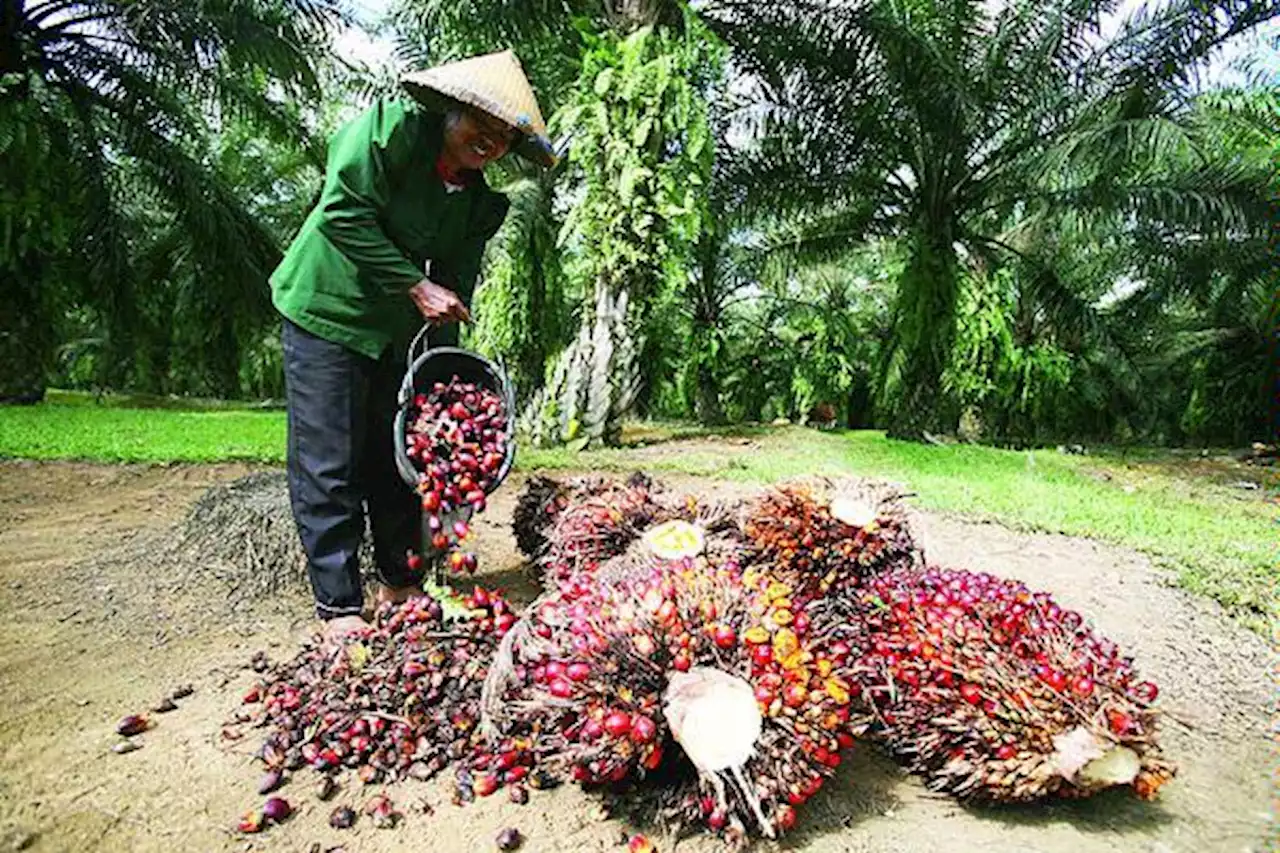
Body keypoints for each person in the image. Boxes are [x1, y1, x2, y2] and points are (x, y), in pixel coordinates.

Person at [270, 50, 557, 643]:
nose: (491, 141)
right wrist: (413, 284)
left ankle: (400, 582)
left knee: (402, 453)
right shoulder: (389, 134)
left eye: (505, 136)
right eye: (483, 123)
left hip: (398, 330)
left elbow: (452, 289)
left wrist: (443, 380)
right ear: (453, 109)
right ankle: (340, 606)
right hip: (326, 310)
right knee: (331, 460)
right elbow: (341, 214)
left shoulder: (481, 203)